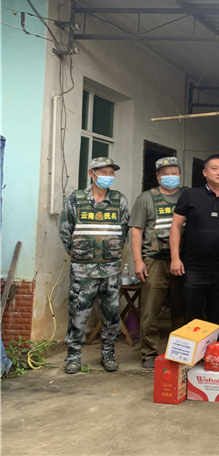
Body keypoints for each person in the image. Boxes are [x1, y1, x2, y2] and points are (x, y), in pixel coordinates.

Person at [59, 157, 130, 374]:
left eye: (111, 172)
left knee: (111, 313)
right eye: (104, 172)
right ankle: (73, 356)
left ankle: (108, 353)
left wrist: (111, 254)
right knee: (78, 313)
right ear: (92, 173)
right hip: (83, 270)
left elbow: (124, 231)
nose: (108, 176)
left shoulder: (119, 200)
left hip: (110, 269)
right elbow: (65, 230)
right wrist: (80, 255)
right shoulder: (76, 198)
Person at [170, 155, 219, 340]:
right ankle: (193, 354)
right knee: (192, 317)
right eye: (214, 168)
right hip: (194, 268)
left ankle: (215, 352)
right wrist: (175, 258)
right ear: (204, 172)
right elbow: (176, 227)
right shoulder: (190, 195)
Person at [129, 157, 186, 371]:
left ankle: (180, 351)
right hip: (154, 261)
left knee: (181, 310)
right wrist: (138, 261)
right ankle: (149, 352)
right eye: (166, 173)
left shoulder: (186, 196)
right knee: (150, 311)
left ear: (179, 174)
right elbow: (137, 231)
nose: (171, 176)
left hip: (182, 261)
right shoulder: (146, 198)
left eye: (174, 172)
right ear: (158, 176)